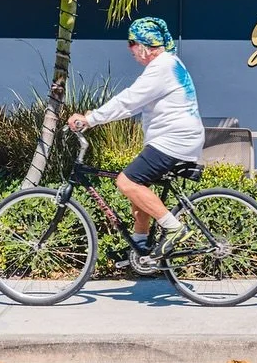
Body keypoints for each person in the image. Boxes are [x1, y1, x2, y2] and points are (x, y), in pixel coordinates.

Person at [67, 17, 204, 257]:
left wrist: (91, 119)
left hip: (174, 140)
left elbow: (129, 100)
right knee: (138, 189)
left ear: (143, 46)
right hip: (174, 139)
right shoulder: (167, 64)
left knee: (126, 182)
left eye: (131, 43)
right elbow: (133, 105)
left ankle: (174, 229)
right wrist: (94, 116)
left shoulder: (162, 67)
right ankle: (141, 247)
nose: (129, 49)